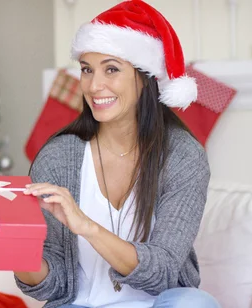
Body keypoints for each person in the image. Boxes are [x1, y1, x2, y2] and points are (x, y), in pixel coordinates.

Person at [14, 1, 220, 307]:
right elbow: (53, 286)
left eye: (111, 69)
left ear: (144, 76)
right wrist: (16, 252)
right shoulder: (58, 157)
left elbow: (163, 270)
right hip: (81, 304)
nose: (94, 86)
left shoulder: (182, 155)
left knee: (195, 304)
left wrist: (86, 227)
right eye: (86, 70)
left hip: (158, 303)